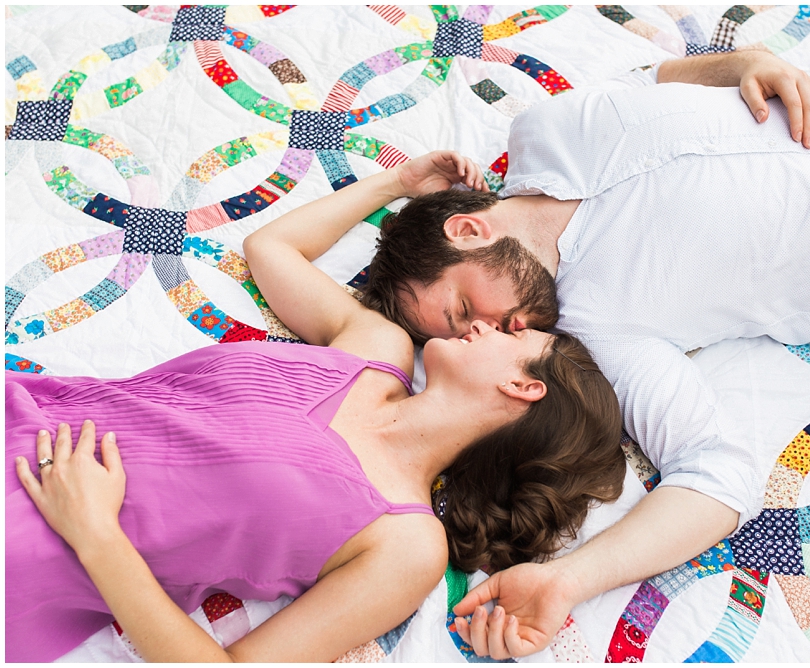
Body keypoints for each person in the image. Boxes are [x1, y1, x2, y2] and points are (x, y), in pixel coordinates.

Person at [340, 53, 810, 658]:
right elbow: (717, 477)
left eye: (466, 311)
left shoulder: (545, 128)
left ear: (469, 232)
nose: (498, 331)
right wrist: (568, 580)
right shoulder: (601, 333)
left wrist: (746, 62)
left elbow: (653, 79)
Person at [5, 153, 628, 662]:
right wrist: (397, 182)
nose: (491, 326)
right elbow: (271, 247)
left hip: (31, 546)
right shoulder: (377, 351)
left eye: (513, 335)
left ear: (526, 388)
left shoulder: (407, 545)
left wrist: (96, 536)